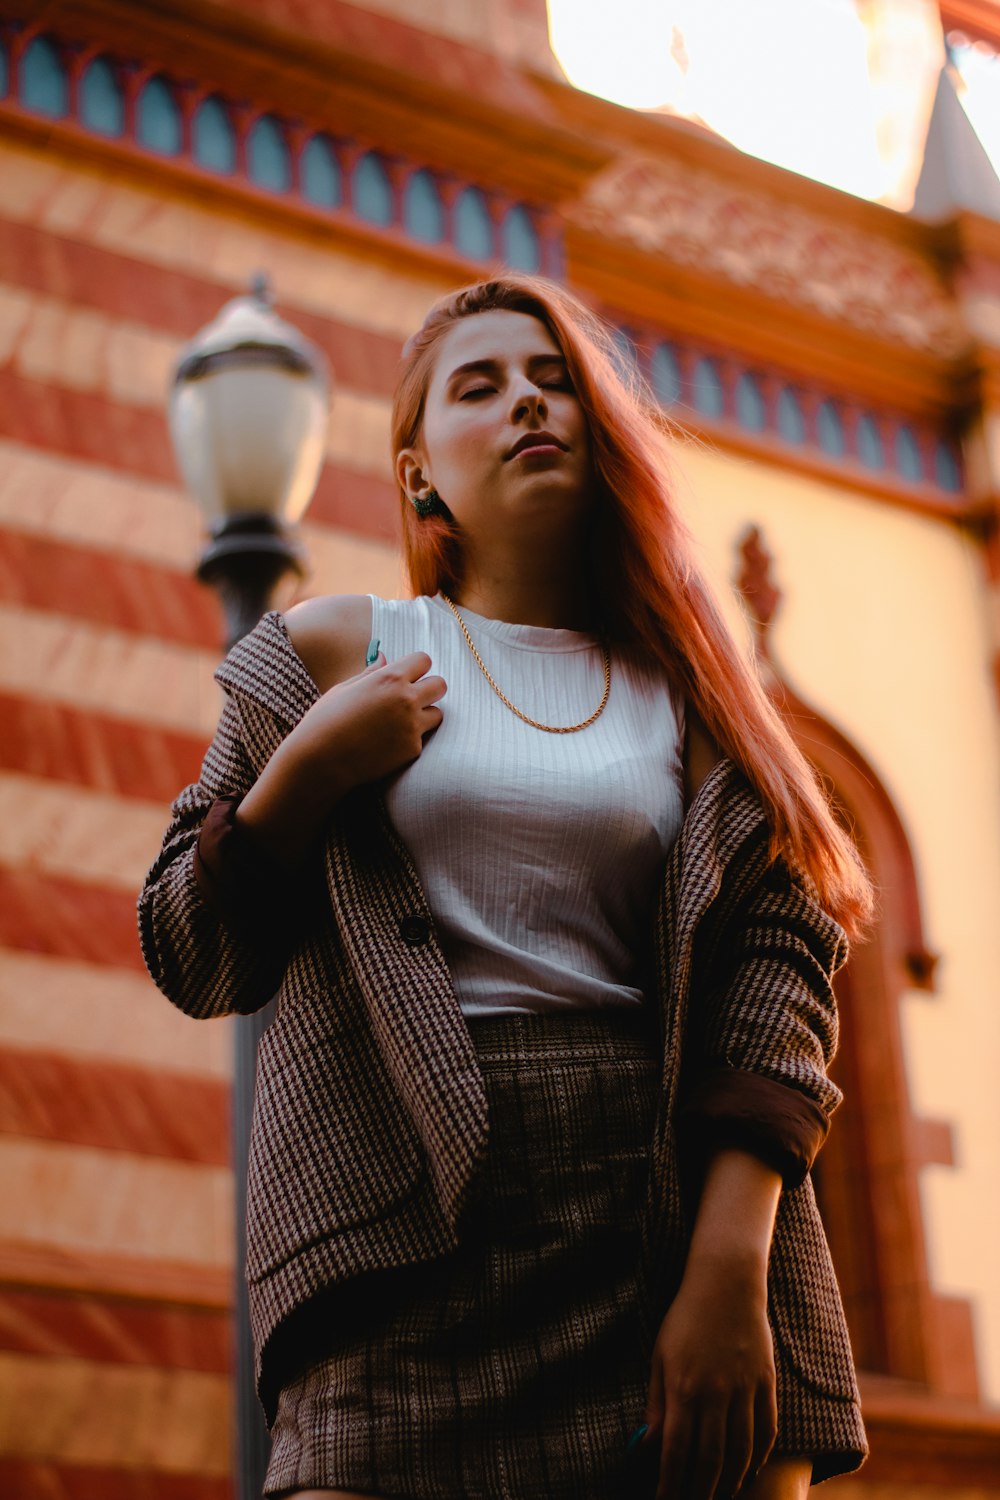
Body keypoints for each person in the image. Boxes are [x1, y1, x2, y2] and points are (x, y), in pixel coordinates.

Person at [138, 273, 872, 1500]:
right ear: (420, 469)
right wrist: (300, 780)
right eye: (481, 386)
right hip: (396, 1232)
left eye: (555, 382)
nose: (530, 403)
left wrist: (727, 1273)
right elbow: (190, 951)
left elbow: (775, 975)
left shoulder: (693, 693)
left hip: (669, 1232)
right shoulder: (330, 650)